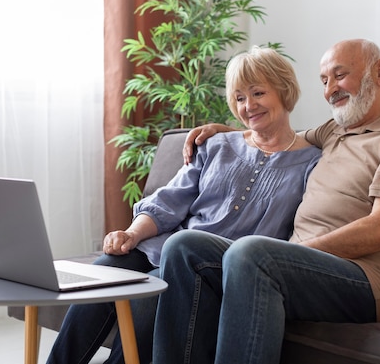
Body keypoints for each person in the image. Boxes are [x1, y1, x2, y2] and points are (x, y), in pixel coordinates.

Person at [152, 38, 380, 364]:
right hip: (298, 265)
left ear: (379, 72)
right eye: (324, 80)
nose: (330, 89)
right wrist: (226, 132)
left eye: (340, 75)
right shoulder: (334, 131)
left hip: (368, 281)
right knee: (184, 246)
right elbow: (274, 136)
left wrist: (295, 253)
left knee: (251, 252)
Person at [45, 46, 322, 364]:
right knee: (104, 273)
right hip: (161, 248)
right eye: (240, 98)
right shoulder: (216, 145)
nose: (248, 106)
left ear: (284, 91)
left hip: (214, 268)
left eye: (258, 93)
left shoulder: (312, 163)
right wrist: (132, 234)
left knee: (148, 301)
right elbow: (169, 200)